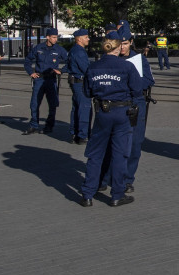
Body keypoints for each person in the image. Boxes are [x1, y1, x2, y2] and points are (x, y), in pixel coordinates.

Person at [80, 34, 144, 208]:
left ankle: (87, 194)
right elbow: (138, 90)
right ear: (118, 48)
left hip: (102, 112)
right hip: (122, 113)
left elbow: (87, 91)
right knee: (120, 154)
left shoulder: (93, 67)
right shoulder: (127, 66)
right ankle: (117, 194)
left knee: (95, 154)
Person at [117, 23, 154, 193]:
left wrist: (132, 85)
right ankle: (111, 175)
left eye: (125, 43)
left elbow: (148, 80)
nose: (122, 47)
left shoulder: (139, 59)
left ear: (131, 42)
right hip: (116, 105)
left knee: (135, 144)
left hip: (135, 104)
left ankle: (127, 179)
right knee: (116, 143)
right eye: (119, 43)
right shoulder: (111, 58)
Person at [23, 28, 68, 135]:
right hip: (39, 78)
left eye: (56, 37)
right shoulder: (39, 48)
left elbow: (70, 62)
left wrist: (61, 71)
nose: (55, 39)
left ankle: (49, 126)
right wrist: (31, 72)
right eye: (53, 37)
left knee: (52, 104)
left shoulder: (59, 49)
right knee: (34, 103)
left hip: (51, 79)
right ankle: (34, 125)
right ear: (47, 37)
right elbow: (27, 60)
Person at [66, 28, 92, 144]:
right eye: (86, 37)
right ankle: (82, 135)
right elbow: (86, 69)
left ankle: (74, 133)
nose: (88, 39)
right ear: (79, 39)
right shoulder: (79, 52)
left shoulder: (74, 50)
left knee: (76, 108)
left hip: (75, 82)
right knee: (84, 109)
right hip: (81, 83)